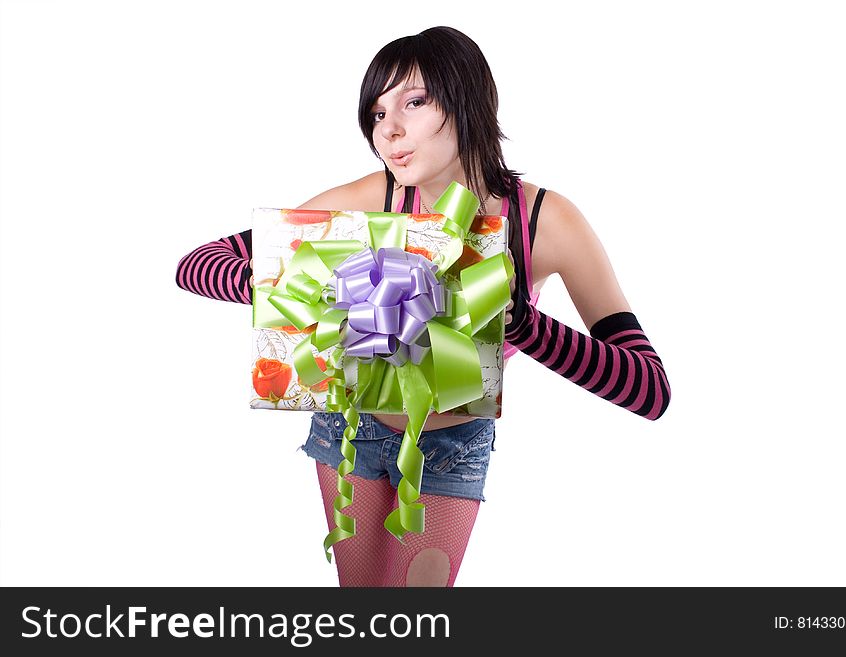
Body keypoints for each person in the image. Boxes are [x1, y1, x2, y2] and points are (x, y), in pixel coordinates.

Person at [176, 26, 671, 587]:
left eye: (413, 102)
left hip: (451, 444)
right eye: (376, 112)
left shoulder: (543, 223)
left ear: (467, 99)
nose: (389, 130)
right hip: (351, 429)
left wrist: (527, 328)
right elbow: (198, 264)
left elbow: (650, 390)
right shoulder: (374, 199)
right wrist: (294, 282)